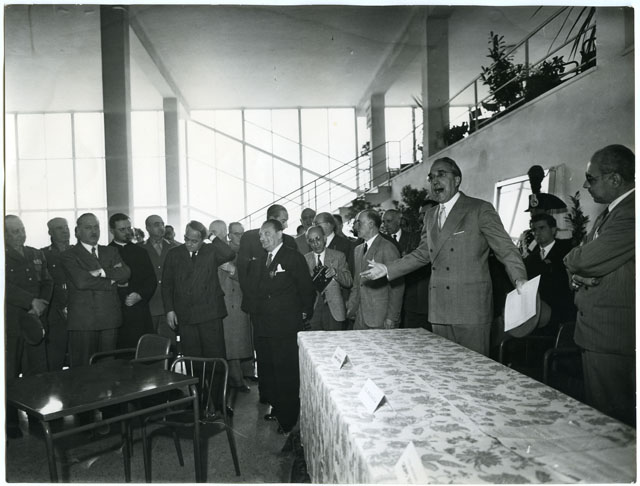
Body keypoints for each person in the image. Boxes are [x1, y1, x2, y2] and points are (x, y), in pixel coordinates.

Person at [362, 157, 527, 356]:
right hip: (439, 311)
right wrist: (388, 269)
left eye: (441, 174)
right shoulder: (430, 216)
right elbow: (423, 253)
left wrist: (519, 278)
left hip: (470, 310)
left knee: (473, 370)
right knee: (444, 369)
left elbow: (506, 249)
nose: (435, 181)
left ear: (457, 180)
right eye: (431, 177)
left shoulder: (479, 209)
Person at [564, 144, 635, 426]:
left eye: (591, 178)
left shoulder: (631, 213)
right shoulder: (609, 213)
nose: (585, 185)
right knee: (603, 415)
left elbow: (584, 258)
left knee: (613, 423)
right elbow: (584, 261)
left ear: (615, 179)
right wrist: (578, 271)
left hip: (613, 335)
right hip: (598, 333)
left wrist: (575, 263)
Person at [162, 220, 236, 415]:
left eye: (194, 241)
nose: (189, 243)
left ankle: (219, 402)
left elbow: (229, 254)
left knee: (216, 361)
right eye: (186, 238)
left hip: (210, 315)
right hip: (186, 317)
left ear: (203, 240)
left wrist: (212, 237)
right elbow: (167, 284)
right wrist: (169, 310)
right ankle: (198, 402)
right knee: (192, 363)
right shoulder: (174, 254)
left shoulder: (210, 251)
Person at [251, 219, 315, 434]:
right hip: (265, 326)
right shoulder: (263, 259)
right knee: (271, 371)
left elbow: (306, 288)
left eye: (267, 234)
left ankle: (288, 419)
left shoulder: (292, 257)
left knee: (286, 372)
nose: (263, 238)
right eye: (261, 235)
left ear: (280, 234)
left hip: (285, 326)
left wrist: (303, 313)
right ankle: (278, 409)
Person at [60, 213, 131, 367]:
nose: (94, 231)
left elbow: (125, 273)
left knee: (108, 368)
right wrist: (112, 281)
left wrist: (102, 272)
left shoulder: (110, 251)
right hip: (83, 322)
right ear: (77, 231)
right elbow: (81, 282)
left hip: (109, 319)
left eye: (96, 227)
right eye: (88, 228)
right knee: (83, 370)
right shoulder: (69, 255)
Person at [5, 215, 53, 438]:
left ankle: (36, 418)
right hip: (11, 324)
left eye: (22, 229)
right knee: (9, 373)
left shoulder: (36, 254)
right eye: (15, 231)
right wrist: (29, 301)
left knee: (37, 371)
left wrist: (40, 304)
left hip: (35, 321)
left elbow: (48, 281)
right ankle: (10, 421)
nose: (21, 234)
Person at [210, 220, 254, 390]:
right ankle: (236, 379)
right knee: (232, 343)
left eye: (242, 233)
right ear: (227, 235)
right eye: (236, 234)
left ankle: (243, 374)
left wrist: (234, 271)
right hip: (227, 302)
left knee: (239, 342)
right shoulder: (223, 251)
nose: (240, 237)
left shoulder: (244, 251)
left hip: (240, 301)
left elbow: (250, 277)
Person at [347, 210, 404, 330]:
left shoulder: (388, 247)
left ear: (371, 224)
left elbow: (397, 286)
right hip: (359, 317)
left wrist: (391, 317)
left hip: (380, 317)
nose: (356, 226)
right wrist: (351, 307)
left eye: (359, 222)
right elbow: (357, 283)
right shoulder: (358, 249)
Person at [108, 213, 157, 348]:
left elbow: (151, 279)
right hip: (117, 312)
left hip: (139, 311)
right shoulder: (106, 253)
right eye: (122, 229)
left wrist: (140, 295)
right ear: (112, 231)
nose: (127, 232)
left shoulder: (141, 252)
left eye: (129, 228)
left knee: (142, 351)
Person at [524, 213, 576, 332]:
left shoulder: (567, 251)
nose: (537, 233)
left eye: (541, 228)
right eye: (534, 230)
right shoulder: (530, 259)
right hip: (538, 315)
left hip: (563, 314)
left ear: (553, 230)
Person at [304, 225, 352, 331]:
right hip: (313, 310)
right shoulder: (304, 259)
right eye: (311, 241)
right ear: (308, 242)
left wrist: (336, 273)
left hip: (335, 310)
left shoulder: (339, 256)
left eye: (318, 239)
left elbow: (349, 281)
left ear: (325, 238)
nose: (315, 243)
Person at [40, 217, 71, 371]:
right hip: (55, 314)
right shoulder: (43, 254)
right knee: (55, 359)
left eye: (66, 227)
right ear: (50, 232)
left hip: (79, 311)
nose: (65, 231)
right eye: (59, 228)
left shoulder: (78, 251)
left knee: (79, 358)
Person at [142, 215, 179, 342]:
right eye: (156, 224)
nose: (161, 227)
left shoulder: (175, 247)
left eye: (162, 224)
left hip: (170, 305)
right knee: (149, 342)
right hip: (149, 304)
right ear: (147, 228)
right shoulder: (139, 248)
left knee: (170, 342)